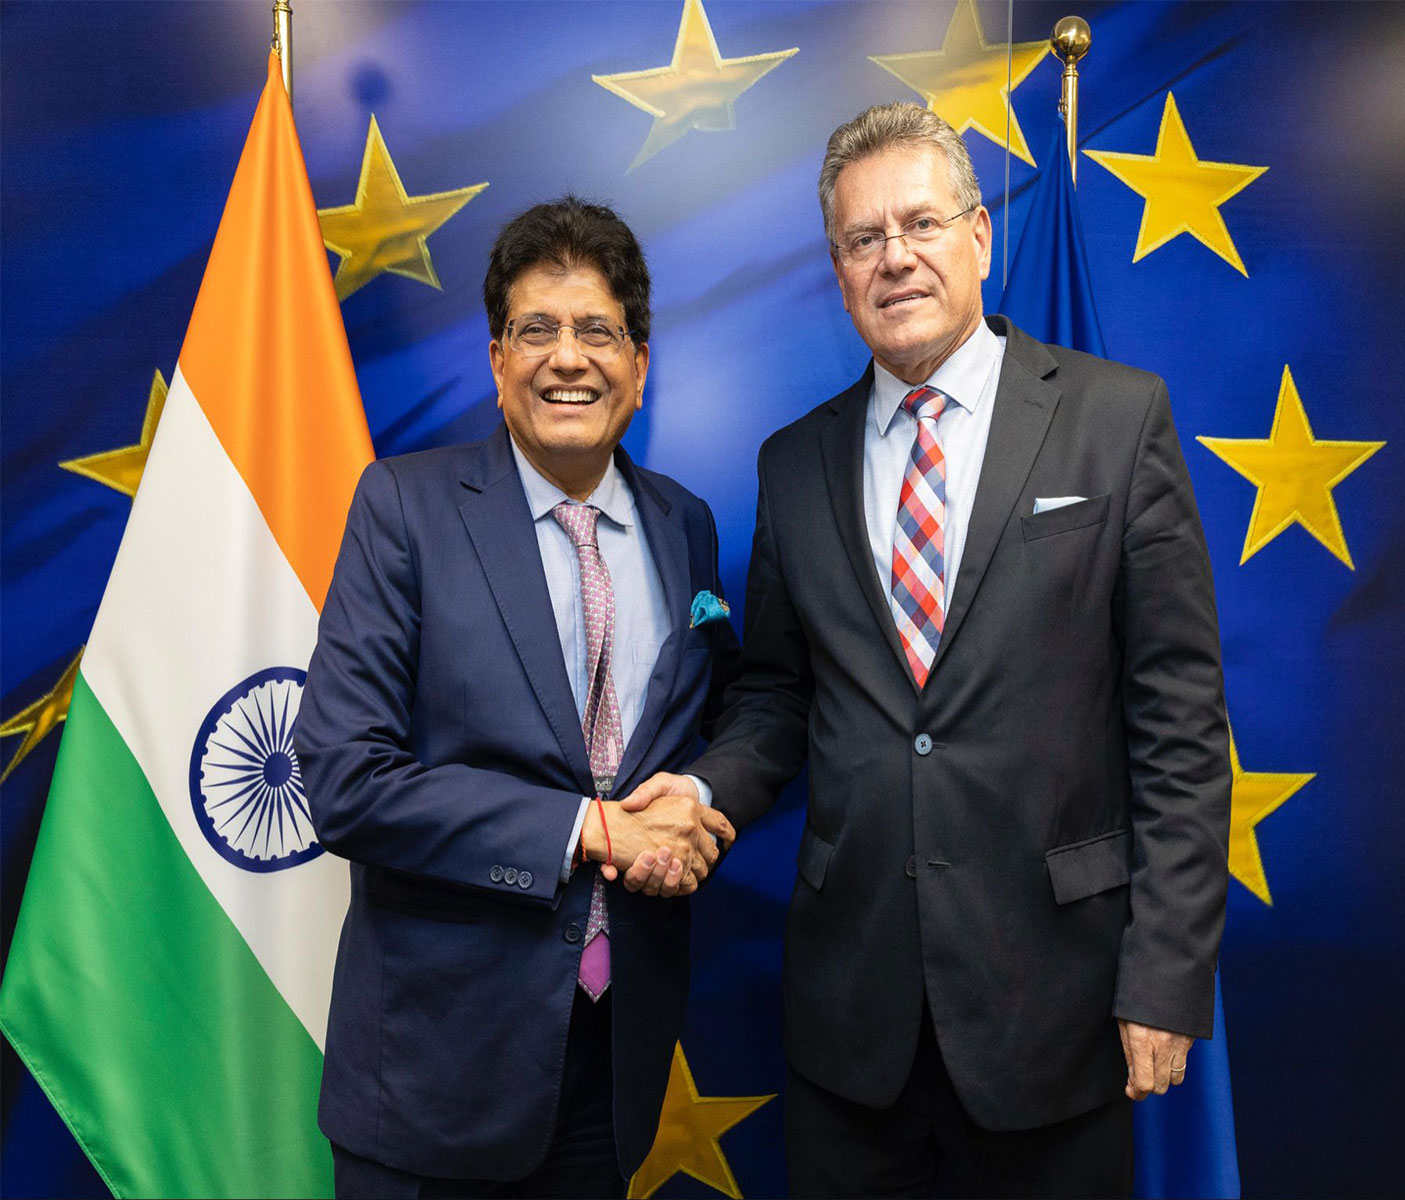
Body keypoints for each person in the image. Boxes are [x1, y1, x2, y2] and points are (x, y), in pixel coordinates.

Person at [622, 104, 1231, 1197]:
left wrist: (1166, 979)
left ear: (980, 235)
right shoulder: (792, 463)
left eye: (920, 222)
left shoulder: (1115, 419)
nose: (894, 255)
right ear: (837, 268)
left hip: (1059, 1010)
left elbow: (1179, 726)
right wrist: (703, 791)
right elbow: (775, 697)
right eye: (863, 239)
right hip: (852, 1022)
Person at [295, 197, 738, 1199]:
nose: (566, 357)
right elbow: (343, 780)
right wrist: (585, 830)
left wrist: (699, 797)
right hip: (432, 1084)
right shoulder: (402, 508)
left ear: (638, 364)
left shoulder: (684, 526)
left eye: (596, 331)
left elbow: (728, 701)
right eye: (535, 330)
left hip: (611, 1069)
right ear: (498, 364)